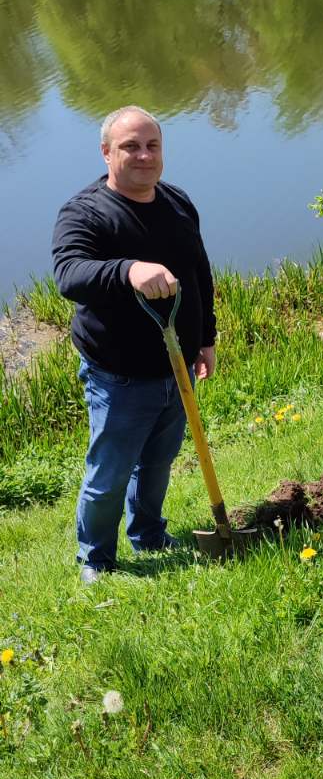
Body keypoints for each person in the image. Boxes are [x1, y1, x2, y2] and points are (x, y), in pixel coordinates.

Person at [52, 106, 217, 583]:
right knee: (109, 475)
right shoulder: (84, 212)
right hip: (118, 375)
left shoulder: (178, 202)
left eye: (152, 146)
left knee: (158, 464)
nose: (144, 155)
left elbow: (198, 271)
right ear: (107, 153)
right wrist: (129, 270)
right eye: (130, 146)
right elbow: (69, 274)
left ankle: (148, 533)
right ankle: (96, 559)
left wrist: (205, 336)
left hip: (175, 366)